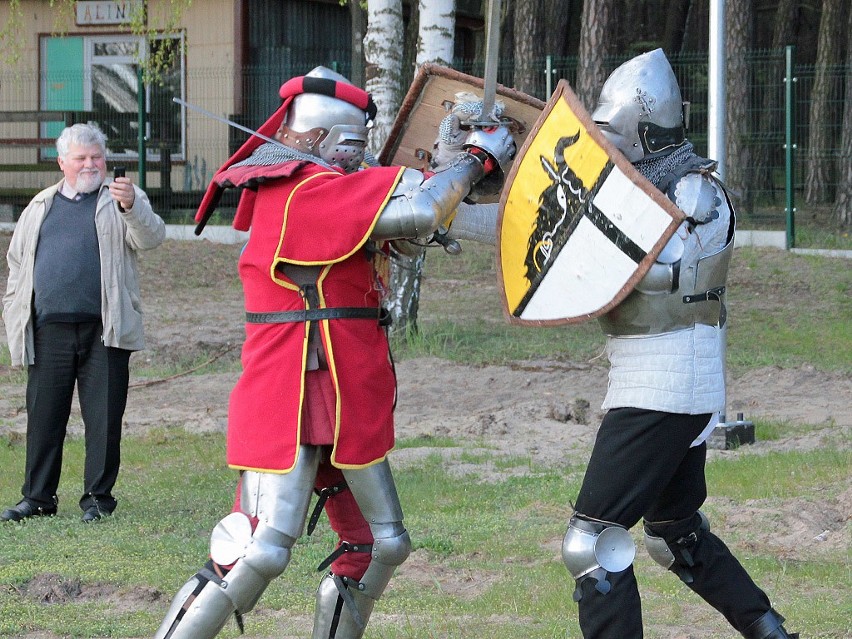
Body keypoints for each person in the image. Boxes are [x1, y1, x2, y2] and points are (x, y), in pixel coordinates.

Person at [154, 66, 515, 639]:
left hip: (342, 395)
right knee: (259, 550)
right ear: (319, 140)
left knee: (380, 545)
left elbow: (419, 222)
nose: (357, 160)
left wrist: (450, 167)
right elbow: (420, 210)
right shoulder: (300, 193)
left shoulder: (324, 193)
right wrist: (475, 159)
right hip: (291, 393)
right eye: (350, 146)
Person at [557, 49, 798, 638]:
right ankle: (770, 632)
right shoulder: (632, 189)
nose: (605, 144)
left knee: (588, 543)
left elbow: (643, 260)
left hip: (663, 383)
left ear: (642, 130)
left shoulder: (696, 195)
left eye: (613, 132)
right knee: (674, 530)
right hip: (666, 381)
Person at [1, 122, 165, 524]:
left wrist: (132, 208)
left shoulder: (121, 198)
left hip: (104, 330)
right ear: (63, 163)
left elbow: (151, 238)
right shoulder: (39, 205)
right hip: (47, 329)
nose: (91, 164)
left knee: (104, 418)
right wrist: (13, 311)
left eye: (97, 157)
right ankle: (37, 498)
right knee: (43, 416)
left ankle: (97, 499)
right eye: (81, 158)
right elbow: (17, 265)